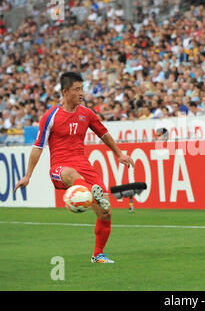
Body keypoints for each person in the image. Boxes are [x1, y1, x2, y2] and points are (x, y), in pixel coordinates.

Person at [13, 72, 134, 263]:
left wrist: (119, 154)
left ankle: (98, 255)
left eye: (82, 89)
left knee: (105, 212)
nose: (81, 93)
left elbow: (104, 134)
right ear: (65, 91)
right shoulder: (50, 116)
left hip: (83, 166)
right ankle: (86, 191)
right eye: (77, 89)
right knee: (72, 174)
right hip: (60, 168)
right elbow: (38, 147)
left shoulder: (86, 114)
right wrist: (28, 175)